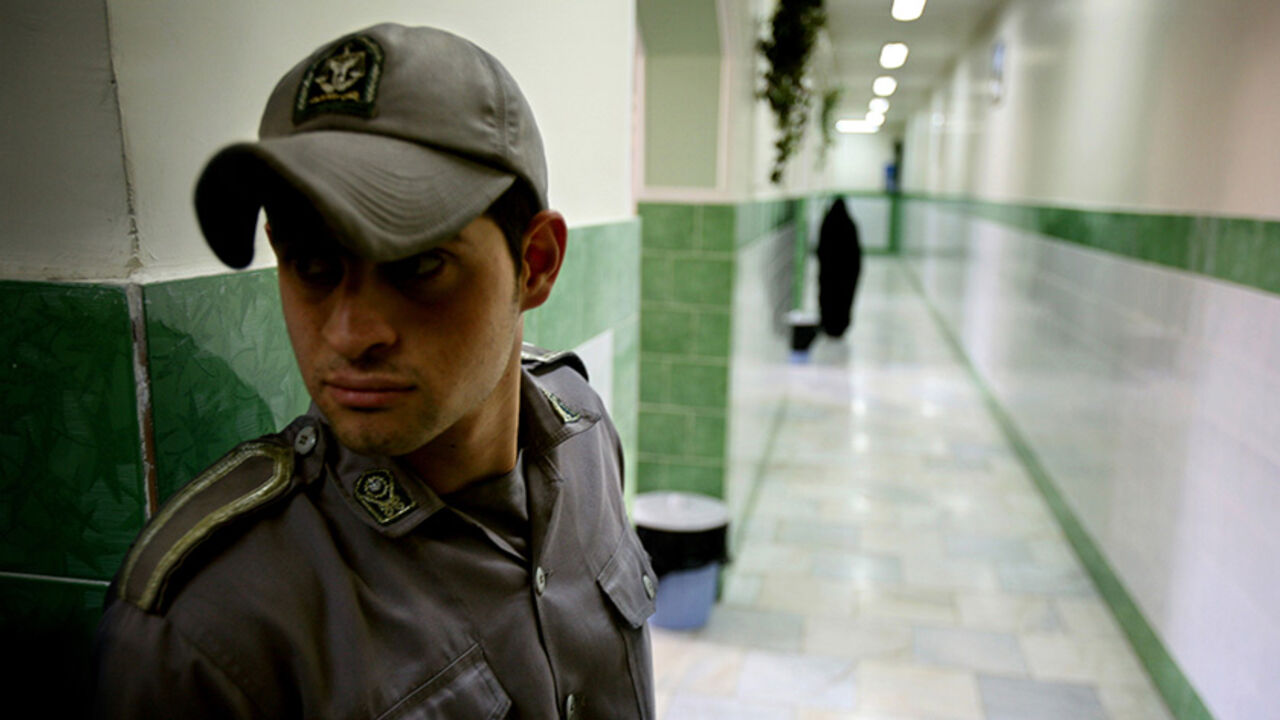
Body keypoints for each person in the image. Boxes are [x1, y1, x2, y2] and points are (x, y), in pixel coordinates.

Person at [92, 23, 657, 719]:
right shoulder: (205, 629)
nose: (349, 334)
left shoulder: (583, 432)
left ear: (535, 264)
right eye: (312, 265)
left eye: (419, 265)